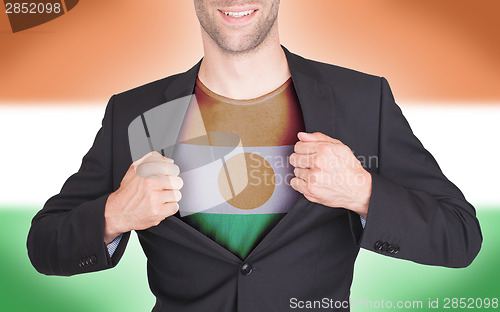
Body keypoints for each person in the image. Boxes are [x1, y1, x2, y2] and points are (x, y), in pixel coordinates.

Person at [27, 1, 482, 311]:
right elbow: (44, 245)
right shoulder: (136, 113)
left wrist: (363, 192)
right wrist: (114, 215)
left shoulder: (362, 100)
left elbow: (460, 237)